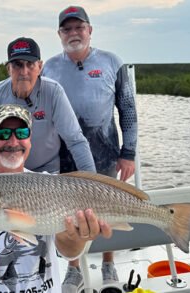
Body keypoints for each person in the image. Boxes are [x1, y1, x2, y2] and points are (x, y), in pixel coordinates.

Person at [0, 104, 112, 292]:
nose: (13, 141)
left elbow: (68, 252)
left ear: (29, 140)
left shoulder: (50, 183)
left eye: (22, 133)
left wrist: (77, 238)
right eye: (3, 133)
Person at [42, 5, 138, 292]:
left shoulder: (112, 62)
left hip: (106, 152)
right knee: (69, 215)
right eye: (67, 29)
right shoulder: (48, 67)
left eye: (78, 27)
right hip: (64, 157)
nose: (73, 33)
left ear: (89, 30)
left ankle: (108, 263)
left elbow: (129, 110)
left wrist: (128, 152)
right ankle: (74, 269)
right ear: (59, 34)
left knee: (109, 211)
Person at [0, 37, 95, 188]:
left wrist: (93, 184)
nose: (24, 72)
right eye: (17, 65)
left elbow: (76, 140)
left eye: (30, 65)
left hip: (45, 171)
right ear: (8, 69)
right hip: (3, 171)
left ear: (40, 67)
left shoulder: (54, 92)